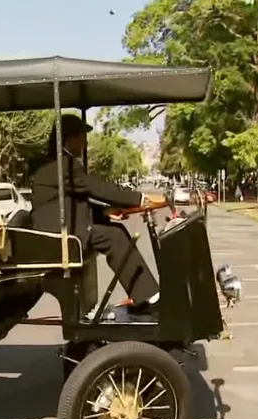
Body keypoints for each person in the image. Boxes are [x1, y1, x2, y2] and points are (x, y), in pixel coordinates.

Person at [30, 114, 165, 315]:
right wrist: (140, 198)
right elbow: (95, 188)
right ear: (70, 138)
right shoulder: (63, 165)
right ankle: (148, 297)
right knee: (115, 237)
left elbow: (72, 202)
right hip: (59, 235)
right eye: (82, 136)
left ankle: (143, 295)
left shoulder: (58, 163)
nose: (85, 142)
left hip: (62, 228)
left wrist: (104, 212)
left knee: (115, 230)